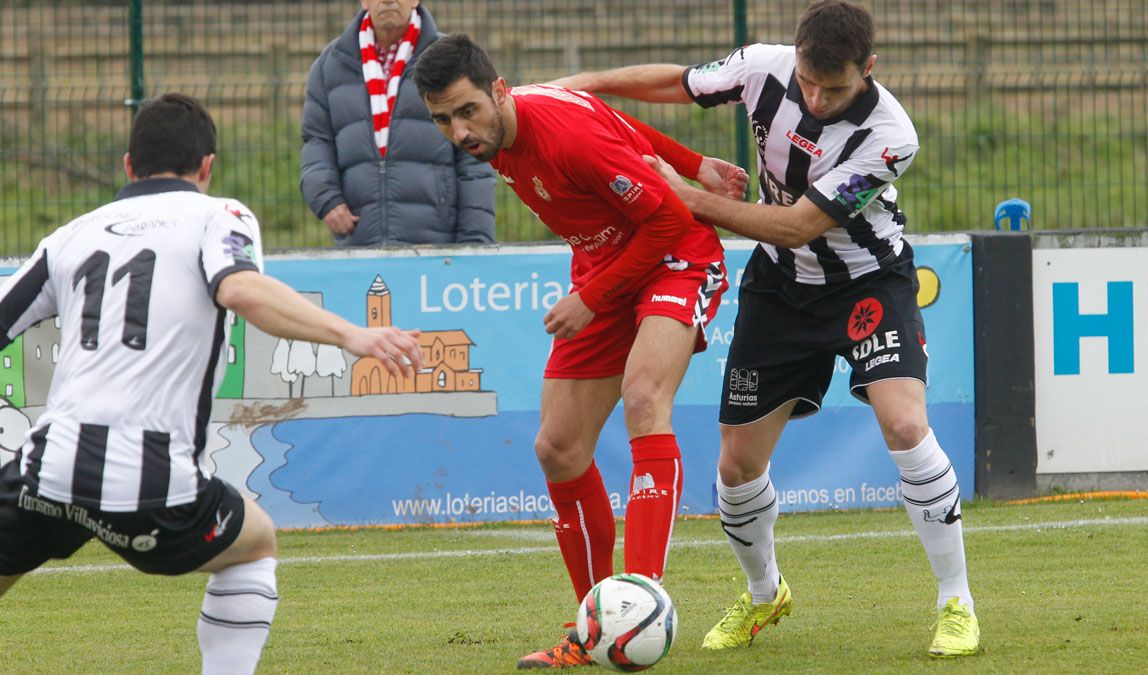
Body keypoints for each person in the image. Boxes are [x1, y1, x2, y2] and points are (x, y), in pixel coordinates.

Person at [553, 0, 980, 659]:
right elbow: (679, 82)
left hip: (867, 282)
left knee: (903, 422)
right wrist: (583, 87)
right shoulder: (761, 66)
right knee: (737, 460)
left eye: (831, 88)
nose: (813, 96)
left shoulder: (890, 134)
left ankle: (956, 601)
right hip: (780, 289)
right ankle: (764, 593)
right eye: (807, 80)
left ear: (868, 69)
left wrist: (683, 195)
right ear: (797, 55)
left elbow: (798, 225)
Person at [0, 93, 424, 674]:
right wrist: (354, 336)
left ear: (128, 165)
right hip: (147, 481)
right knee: (255, 545)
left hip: (45, 467)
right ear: (207, 167)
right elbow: (241, 289)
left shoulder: (69, 236)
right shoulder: (218, 214)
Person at [414, 34, 747, 669]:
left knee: (644, 399)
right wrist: (694, 158)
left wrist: (593, 296)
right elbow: (617, 125)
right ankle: (595, 627)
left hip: (675, 257)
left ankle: (642, 599)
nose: (459, 132)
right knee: (557, 449)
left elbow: (672, 222)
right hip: (608, 264)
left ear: (499, 90)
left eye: (467, 111)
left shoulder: (561, 135)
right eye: (442, 120)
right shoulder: (510, 130)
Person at [301, 0, 496, 246]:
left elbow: (475, 160)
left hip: (437, 248)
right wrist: (326, 197)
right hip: (359, 244)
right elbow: (317, 141)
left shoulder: (450, 60)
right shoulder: (329, 65)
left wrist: (474, 244)